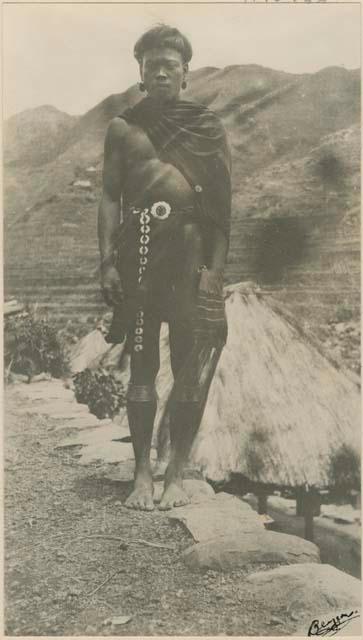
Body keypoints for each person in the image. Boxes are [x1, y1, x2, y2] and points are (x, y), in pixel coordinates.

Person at [98, 24, 231, 511]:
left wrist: (214, 275)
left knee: (187, 371)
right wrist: (107, 262)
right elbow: (110, 196)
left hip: (191, 256)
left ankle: (175, 475)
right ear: (139, 71)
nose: (159, 71)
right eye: (151, 63)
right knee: (141, 366)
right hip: (139, 256)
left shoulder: (207, 127)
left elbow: (221, 206)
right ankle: (141, 476)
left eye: (169, 64)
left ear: (185, 73)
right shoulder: (124, 128)